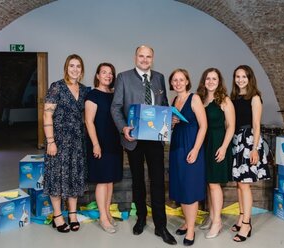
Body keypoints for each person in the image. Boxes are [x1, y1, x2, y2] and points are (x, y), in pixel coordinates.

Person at [111, 45, 177, 245]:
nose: (145, 59)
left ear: (152, 58)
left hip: (155, 138)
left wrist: (169, 119)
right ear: (135, 57)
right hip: (133, 139)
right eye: (141, 56)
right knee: (138, 179)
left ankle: (161, 225)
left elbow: (164, 104)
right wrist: (124, 129)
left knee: (158, 181)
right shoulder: (123, 77)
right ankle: (141, 218)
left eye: (148, 56)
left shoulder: (159, 77)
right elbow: (115, 107)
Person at [43, 54, 87, 233]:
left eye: (78, 66)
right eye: (71, 66)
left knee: (73, 177)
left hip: (77, 141)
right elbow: (47, 114)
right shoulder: (57, 87)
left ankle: (73, 214)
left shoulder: (84, 90)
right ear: (66, 68)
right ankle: (57, 216)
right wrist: (50, 141)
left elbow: (85, 116)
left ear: (82, 70)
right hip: (58, 140)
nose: (75, 69)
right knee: (57, 177)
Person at [230, 65, 271, 242]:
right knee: (240, 184)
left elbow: (256, 125)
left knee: (245, 184)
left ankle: (247, 223)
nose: (240, 80)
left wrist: (255, 148)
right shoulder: (234, 97)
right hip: (237, 141)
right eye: (237, 76)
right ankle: (241, 217)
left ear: (250, 78)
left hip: (249, 141)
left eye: (244, 76)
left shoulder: (254, 98)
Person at [168, 69, 207, 246]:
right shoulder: (174, 100)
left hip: (191, 146)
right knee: (180, 186)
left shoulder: (195, 98)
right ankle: (187, 222)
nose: (177, 83)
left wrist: (196, 149)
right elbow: (173, 125)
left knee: (190, 188)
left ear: (187, 81)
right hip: (177, 146)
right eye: (174, 80)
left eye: (181, 80)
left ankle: (191, 230)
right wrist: (172, 123)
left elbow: (203, 126)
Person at [196, 68, 235, 239]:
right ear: (203, 81)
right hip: (204, 143)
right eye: (208, 78)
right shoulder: (201, 99)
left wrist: (224, 147)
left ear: (219, 81)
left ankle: (217, 221)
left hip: (218, 144)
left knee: (214, 183)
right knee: (208, 183)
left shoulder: (224, 100)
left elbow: (231, 126)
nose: (211, 81)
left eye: (214, 78)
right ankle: (211, 216)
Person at [85, 62, 123, 234]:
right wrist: (95, 144)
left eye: (111, 73)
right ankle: (102, 218)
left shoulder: (115, 95)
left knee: (110, 180)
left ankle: (107, 213)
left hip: (114, 142)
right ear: (98, 75)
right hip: (100, 143)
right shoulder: (93, 95)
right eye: (104, 72)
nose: (108, 76)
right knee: (102, 180)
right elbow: (89, 121)